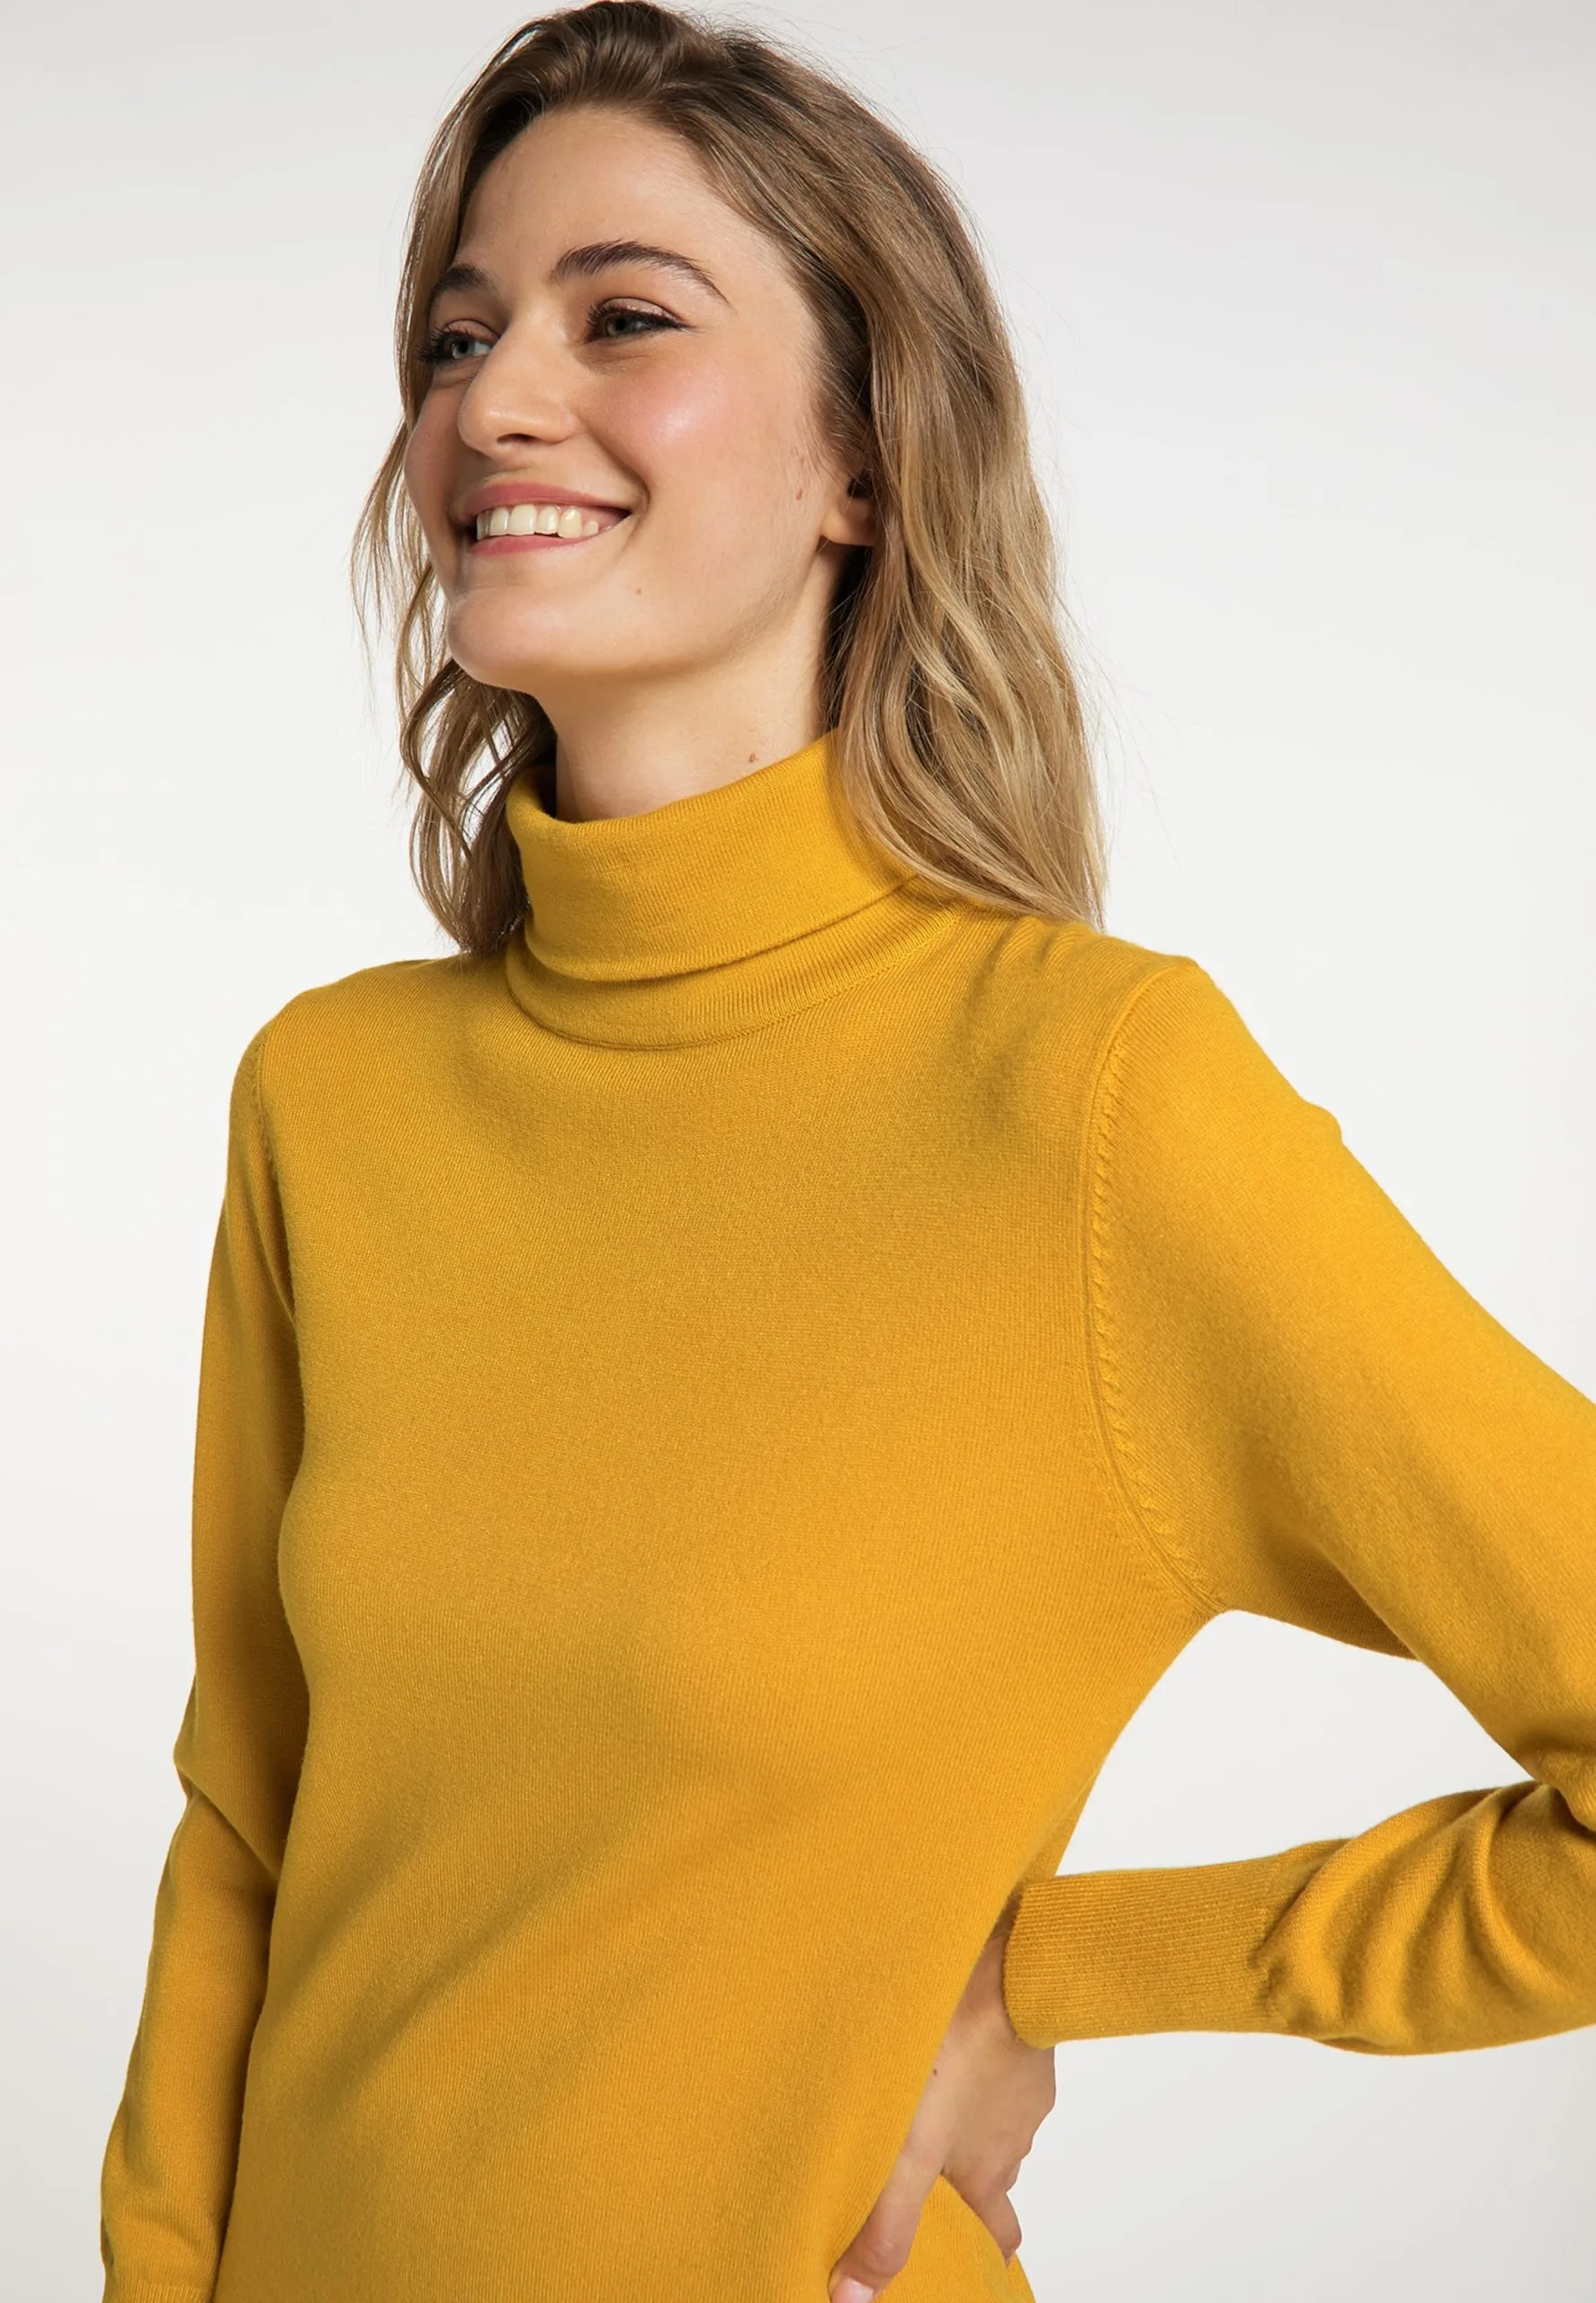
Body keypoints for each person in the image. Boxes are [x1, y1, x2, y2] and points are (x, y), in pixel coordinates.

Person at [97, 5, 1596, 2300]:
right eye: (457, 336)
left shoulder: (1086, 1099)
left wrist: (1057, 1971)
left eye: (623, 317)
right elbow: (247, 1828)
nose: (493, 401)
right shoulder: (333, 1095)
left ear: (862, 466)